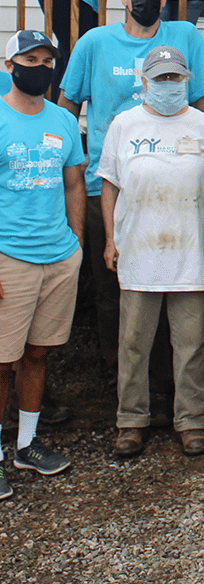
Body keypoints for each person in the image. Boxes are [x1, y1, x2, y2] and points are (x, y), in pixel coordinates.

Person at [59, 0, 204, 384]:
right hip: (105, 186)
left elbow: (203, 107)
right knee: (113, 291)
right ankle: (121, 376)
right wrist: (69, 172)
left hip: (179, 188)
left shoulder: (183, 36)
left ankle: (167, 384)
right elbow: (66, 109)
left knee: (176, 288)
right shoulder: (95, 42)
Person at [98, 48, 204, 458]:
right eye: (161, 78)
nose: (169, 86)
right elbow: (110, 183)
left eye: (176, 78)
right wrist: (111, 240)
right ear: (144, 81)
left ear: (187, 80)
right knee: (133, 343)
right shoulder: (125, 124)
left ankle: (191, 420)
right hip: (139, 250)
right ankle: (131, 420)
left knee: (192, 344)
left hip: (192, 249)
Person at [0, 31, 85, 501]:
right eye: (29, 59)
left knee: (38, 354)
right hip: (10, 256)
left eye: (46, 59)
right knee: (1, 361)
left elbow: (74, 183)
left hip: (58, 257)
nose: (39, 67)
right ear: (10, 63)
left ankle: (26, 445)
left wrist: (75, 242)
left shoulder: (63, 120)